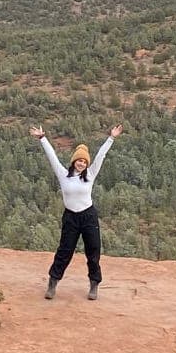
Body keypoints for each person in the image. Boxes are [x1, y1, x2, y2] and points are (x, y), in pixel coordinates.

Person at [30, 123, 122, 300]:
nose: (82, 163)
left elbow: (101, 156)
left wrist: (111, 138)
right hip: (71, 217)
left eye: (85, 161)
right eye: (80, 160)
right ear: (74, 161)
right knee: (65, 251)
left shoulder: (91, 174)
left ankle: (94, 284)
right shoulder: (64, 175)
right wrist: (42, 138)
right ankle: (53, 282)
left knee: (93, 251)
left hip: (88, 216)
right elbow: (52, 158)